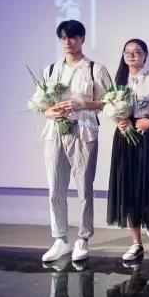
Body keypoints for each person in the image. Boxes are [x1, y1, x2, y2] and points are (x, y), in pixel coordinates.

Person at [41, 20, 111, 263]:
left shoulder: (95, 69)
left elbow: (108, 102)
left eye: (72, 37)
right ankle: (60, 239)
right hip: (54, 133)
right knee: (55, 188)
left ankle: (83, 238)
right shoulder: (51, 69)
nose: (68, 42)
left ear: (82, 39)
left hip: (84, 132)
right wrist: (49, 112)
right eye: (63, 38)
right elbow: (43, 104)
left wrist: (82, 104)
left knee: (84, 188)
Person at [106, 38, 149, 262]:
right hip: (125, 136)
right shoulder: (119, 81)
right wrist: (119, 121)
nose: (131, 55)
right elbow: (112, 108)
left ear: (145, 55)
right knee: (128, 185)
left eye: (136, 52)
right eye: (127, 52)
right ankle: (136, 243)